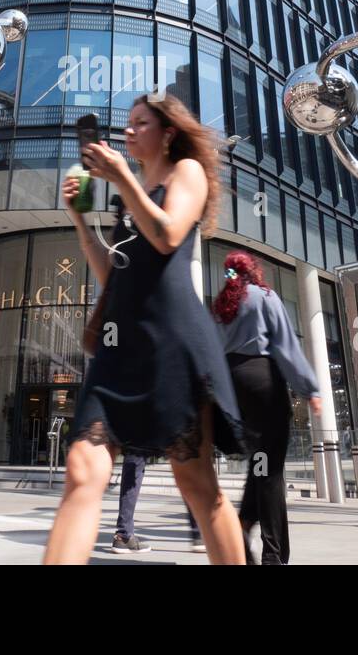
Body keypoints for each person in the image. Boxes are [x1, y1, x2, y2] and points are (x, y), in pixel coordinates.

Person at [44, 94, 247, 565]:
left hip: (173, 342)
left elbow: (168, 235)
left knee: (198, 486)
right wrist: (80, 222)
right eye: (127, 124)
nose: (128, 131)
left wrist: (121, 182)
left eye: (140, 123)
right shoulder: (129, 194)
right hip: (121, 349)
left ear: (168, 131)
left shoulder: (186, 173)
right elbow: (113, 277)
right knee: (81, 470)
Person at [213, 250, 322, 565]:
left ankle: (242, 526)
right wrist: (309, 388)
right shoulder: (264, 297)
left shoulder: (221, 307)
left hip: (231, 388)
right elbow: (285, 345)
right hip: (262, 383)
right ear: (253, 271)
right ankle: (274, 556)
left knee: (259, 463)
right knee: (270, 470)